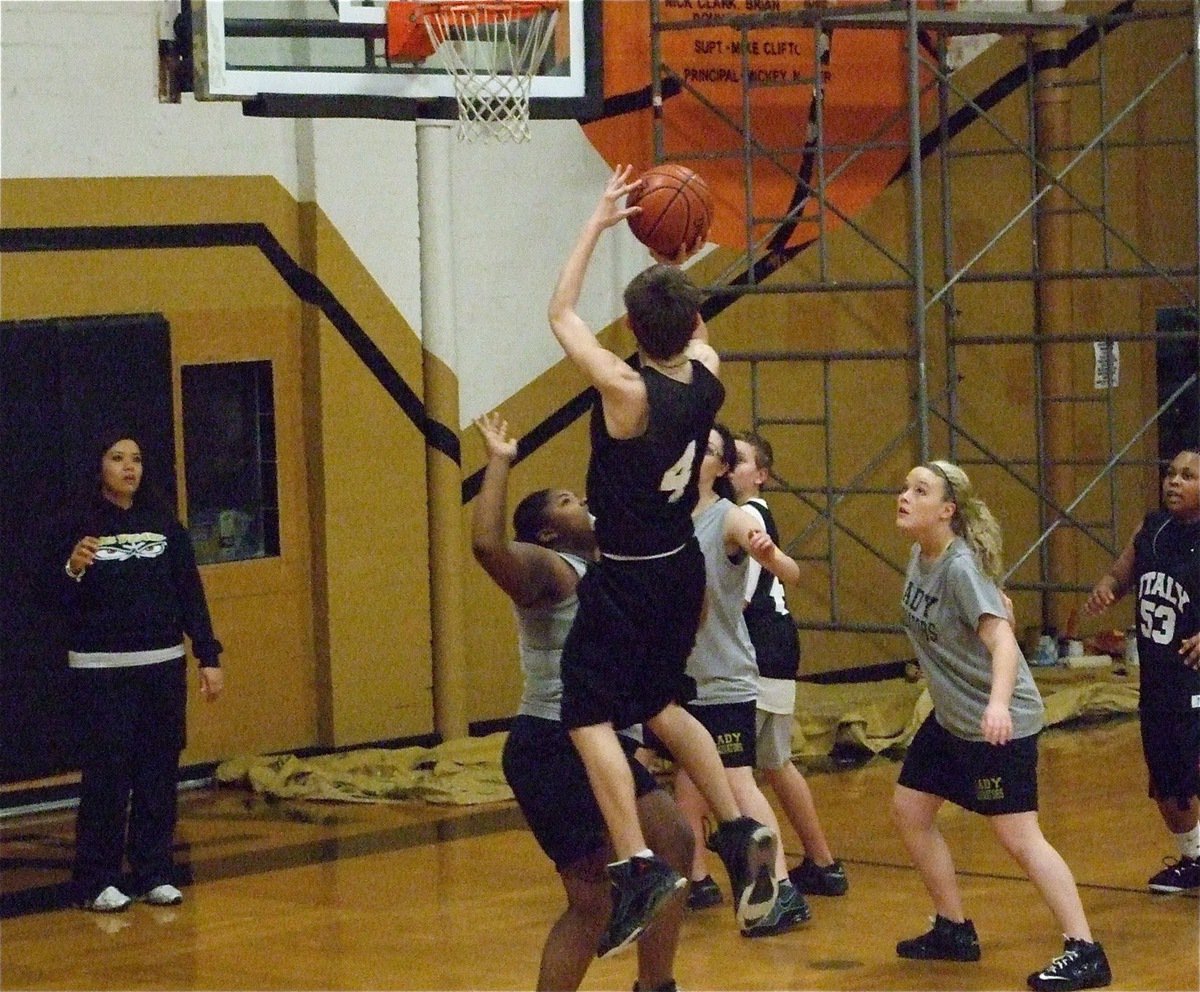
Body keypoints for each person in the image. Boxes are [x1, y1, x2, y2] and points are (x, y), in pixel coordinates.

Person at [548, 165, 779, 958]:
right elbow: (695, 328)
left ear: (635, 328)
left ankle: (637, 862)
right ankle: (741, 826)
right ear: (692, 323)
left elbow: (560, 313)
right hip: (682, 568)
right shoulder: (706, 379)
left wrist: (601, 223)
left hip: (628, 572)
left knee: (584, 710)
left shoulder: (626, 391)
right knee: (660, 703)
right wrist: (680, 248)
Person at [470, 411, 690, 991]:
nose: (582, 503)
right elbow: (487, 544)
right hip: (553, 746)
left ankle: (656, 985)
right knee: (605, 892)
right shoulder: (552, 570)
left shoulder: (606, 566)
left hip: (594, 741)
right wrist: (500, 463)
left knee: (664, 855)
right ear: (547, 532)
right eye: (567, 501)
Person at [893, 460, 1112, 992]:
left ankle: (1085, 949)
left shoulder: (959, 568)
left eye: (919, 491)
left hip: (996, 723)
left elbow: (1003, 644)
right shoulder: (922, 556)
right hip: (951, 720)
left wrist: (997, 705)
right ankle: (953, 928)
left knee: (1018, 837)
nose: (904, 496)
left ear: (947, 510)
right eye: (905, 487)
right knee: (910, 809)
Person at [62, 431, 224, 912]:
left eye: (135, 459)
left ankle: (154, 871)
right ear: (100, 466)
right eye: (117, 458)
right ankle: (97, 880)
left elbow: (189, 591)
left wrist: (208, 655)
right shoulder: (77, 523)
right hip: (100, 671)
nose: (128, 467)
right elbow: (47, 600)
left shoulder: (164, 525)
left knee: (158, 772)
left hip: (161, 666)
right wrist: (71, 569)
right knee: (107, 776)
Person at [668, 424, 811, 937]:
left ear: (722, 467)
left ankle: (782, 888)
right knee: (683, 783)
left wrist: (771, 554)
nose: (693, 452)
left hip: (724, 674)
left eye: (708, 449)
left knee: (737, 782)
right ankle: (688, 877)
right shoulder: (661, 520)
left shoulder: (730, 518)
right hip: (672, 682)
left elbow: (790, 572)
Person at [727, 431, 848, 899]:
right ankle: (822, 862)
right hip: (775, 644)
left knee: (719, 768)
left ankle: (699, 879)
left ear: (761, 475)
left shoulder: (747, 516)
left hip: (756, 648)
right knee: (776, 763)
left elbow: (740, 594)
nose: (727, 466)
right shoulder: (750, 515)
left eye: (738, 460)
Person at [1084, 446, 1200, 894]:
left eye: (1187, 476)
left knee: (1190, 766)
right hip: (1158, 676)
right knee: (1165, 776)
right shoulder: (1153, 529)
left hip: (1195, 678)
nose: (1173, 481)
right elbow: (1122, 571)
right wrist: (1109, 587)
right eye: (1171, 473)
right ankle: (1193, 858)